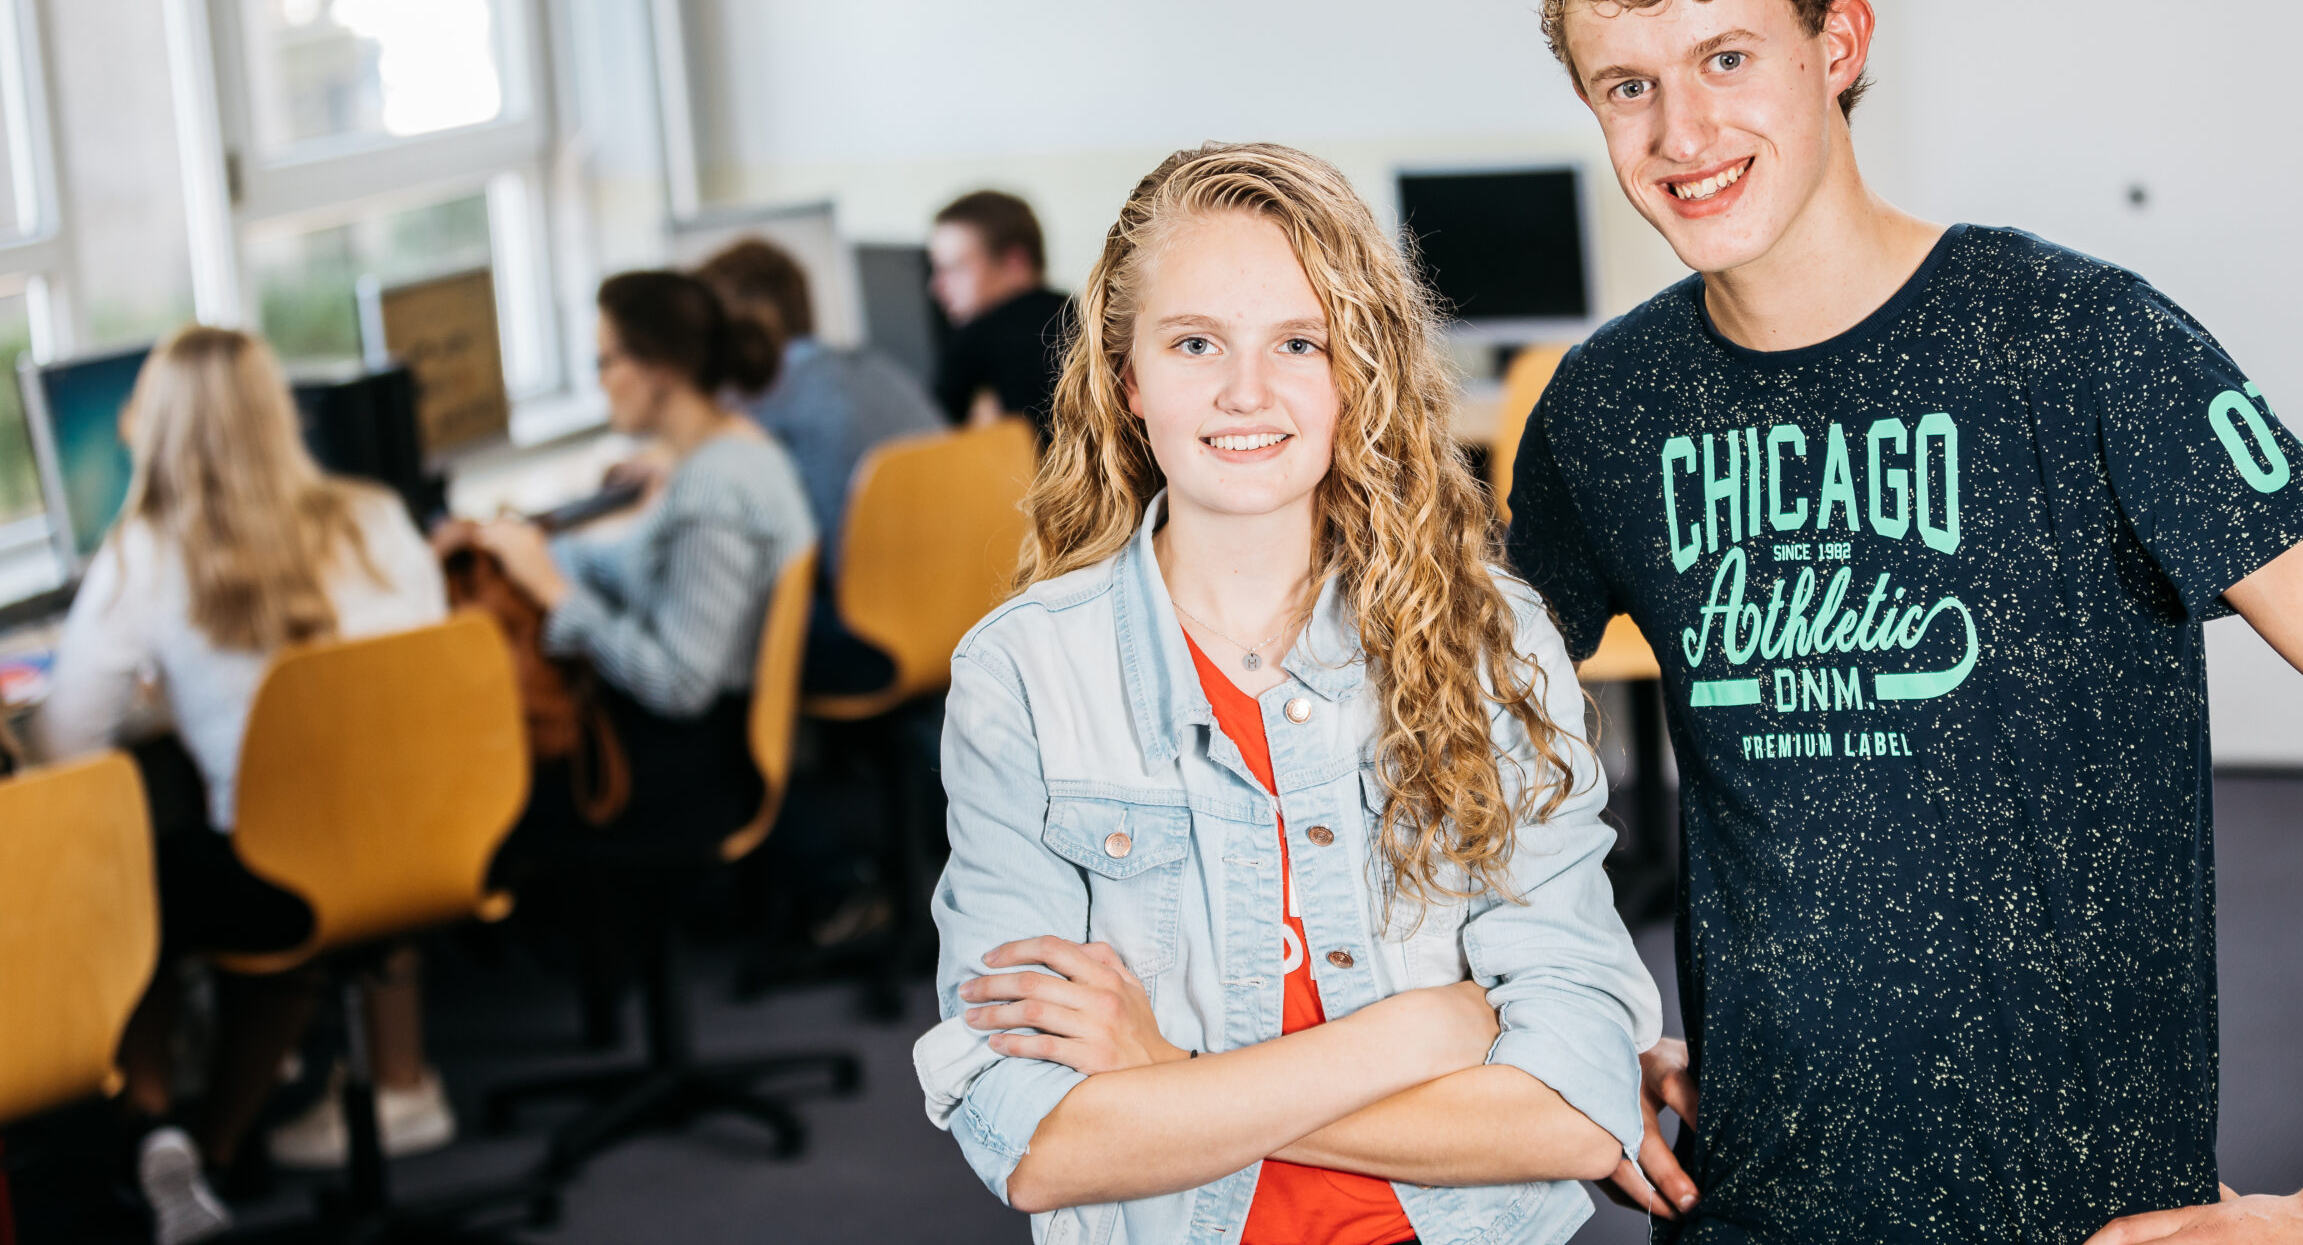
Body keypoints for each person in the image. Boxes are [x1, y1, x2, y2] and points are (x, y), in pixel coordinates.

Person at [1506, 0, 2303, 1243]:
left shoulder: (2082, 344)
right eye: (1631, 86)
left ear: (1839, 43)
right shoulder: (1607, 411)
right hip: (1751, 1211)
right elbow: (1457, 761)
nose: (1681, 136)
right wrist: (1564, 1023)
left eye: (1727, 58)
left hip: (2081, 1219)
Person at [914, 144, 1661, 1244]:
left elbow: (1576, 1113)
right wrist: (1414, 1035)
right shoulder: (1022, 676)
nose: (1246, 392)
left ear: (1354, 370)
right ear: (1128, 377)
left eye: (1298, 342)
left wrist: (1171, 1071)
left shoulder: (1490, 636)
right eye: (1196, 342)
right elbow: (1035, 1144)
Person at [32, 326, 449, 1245]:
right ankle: (211, 1154)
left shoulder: (145, 554)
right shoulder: (376, 517)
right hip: (422, 843)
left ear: (159, 428)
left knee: (122, 886)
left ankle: (151, 1131)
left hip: (276, 872)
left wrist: (178, 705)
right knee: (270, 913)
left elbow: (66, 746)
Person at [455, 270, 812, 860]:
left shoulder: (710, 495)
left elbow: (681, 684)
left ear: (660, 371)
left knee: (496, 788)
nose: (598, 381)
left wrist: (552, 590)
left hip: (693, 762)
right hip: (707, 733)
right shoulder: (737, 445)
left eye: (604, 363)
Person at [696, 236, 944, 694]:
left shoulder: (766, 408)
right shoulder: (877, 369)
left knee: (702, 623)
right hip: (955, 609)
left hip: (862, 637)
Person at [928, 188, 1073, 440]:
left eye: (954, 269)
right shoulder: (1087, 314)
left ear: (1015, 262)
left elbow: (927, 434)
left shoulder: (975, 339)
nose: (936, 287)